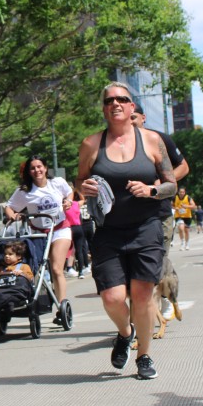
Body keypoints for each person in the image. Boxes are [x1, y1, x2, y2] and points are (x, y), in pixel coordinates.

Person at [76, 82, 177, 380]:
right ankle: (125, 332)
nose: (115, 104)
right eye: (109, 101)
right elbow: (79, 180)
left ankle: (144, 356)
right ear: (104, 108)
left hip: (146, 229)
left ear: (132, 107)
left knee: (143, 296)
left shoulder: (152, 141)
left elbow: (171, 184)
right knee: (112, 297)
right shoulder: (91, 144)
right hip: (108, 231)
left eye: (122, 99)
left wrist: (151, 190)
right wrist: (84, 187)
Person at [3, 156, 72, 316]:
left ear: (45, 168)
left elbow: (69, 193)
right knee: (36, 269)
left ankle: (62, 307)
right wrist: (13, 215)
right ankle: (36, 299)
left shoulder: (57, 183)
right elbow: (9, 207)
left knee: (56, 268)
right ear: (29, 172)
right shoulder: (25, 191)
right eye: (33, 168)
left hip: (60, 229)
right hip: (38, 233)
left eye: (39, 166)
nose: (37, 170)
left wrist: (68, 201)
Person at [130, 104, 188, 254]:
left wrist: (160, 184)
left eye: (133, 117)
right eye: (126, 118)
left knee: (158, 262)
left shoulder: (159, 139)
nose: (130, 122)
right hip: (128, 217)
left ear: (143, 118)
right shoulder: (114, 143)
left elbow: (184, 167)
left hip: (159, 213)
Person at [66, 190, 91, 278]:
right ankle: (81, 272)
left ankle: (69, 268)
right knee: (79, 250)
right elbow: (83, 199)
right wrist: (76, 191)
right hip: (79, 228)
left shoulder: (64, 207)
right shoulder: (76, 204)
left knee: (71, 250)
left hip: (70, 228)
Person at [172, 187, 196, 251]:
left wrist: (186, 206)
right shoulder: (175, 198)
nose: (181, 193)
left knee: (186, 231)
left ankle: (187, 244)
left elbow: (194, 206)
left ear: (185, 192)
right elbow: (170, 205)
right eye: (180, 192)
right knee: (181, 228)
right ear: (178, 192)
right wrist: (175, 208)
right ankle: (182, 243)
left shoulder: (188, 197)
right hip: (178, 216)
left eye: (183, 192)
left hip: (187, 216)